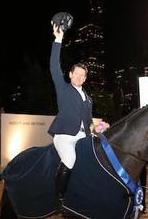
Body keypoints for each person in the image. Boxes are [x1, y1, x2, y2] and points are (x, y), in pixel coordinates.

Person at [47, 23, 93, 214]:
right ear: (70, 74)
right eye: (77, 74)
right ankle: (59, 199)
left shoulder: (89, 98)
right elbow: (53, 66)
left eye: (83, 76)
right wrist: (58, 39)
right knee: (70, 157)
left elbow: (88, 121)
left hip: (83, 136)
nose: (79, 78)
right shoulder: (63, 88)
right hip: (64, 136)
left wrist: (96, 130)